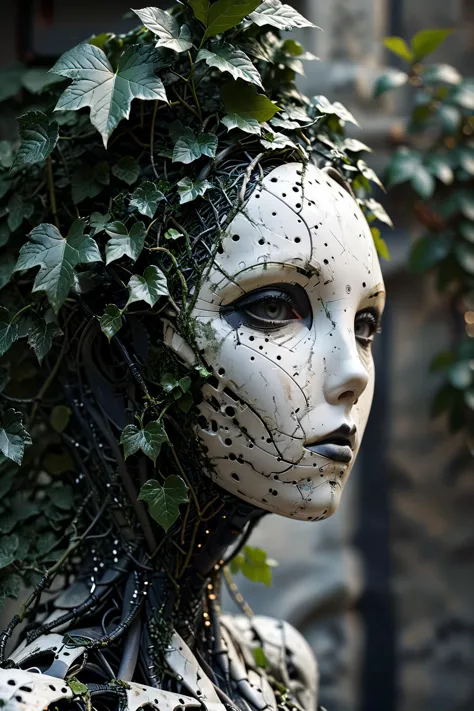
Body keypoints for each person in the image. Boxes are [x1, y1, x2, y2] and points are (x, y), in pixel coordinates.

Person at [0, 3, 386, 710]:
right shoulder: (41, 697)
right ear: (130, 349)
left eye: (365, 324)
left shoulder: (281, 664)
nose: (353, 371)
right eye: (274, 307)